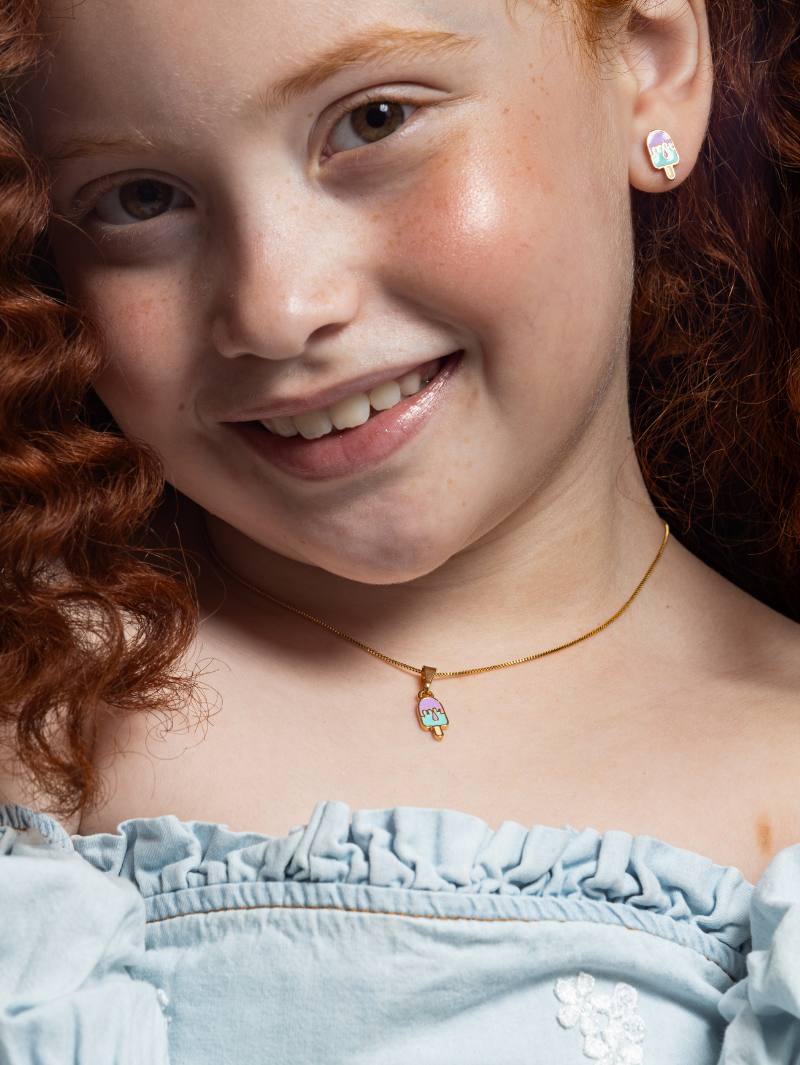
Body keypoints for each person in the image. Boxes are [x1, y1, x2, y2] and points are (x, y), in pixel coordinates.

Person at [1, 0, 799, 1060]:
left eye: (373, 120)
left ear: (649, 66)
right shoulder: (31, 715)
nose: (277, 308)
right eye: (139, 198)